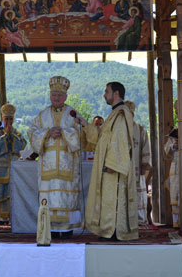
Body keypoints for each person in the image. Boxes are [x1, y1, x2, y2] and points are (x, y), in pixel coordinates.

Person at [78, 82, 138, 241]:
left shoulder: (120, 114)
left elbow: (119, 140)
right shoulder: (114, 114)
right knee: (107, 200)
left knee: (114, 199)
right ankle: (107, 230)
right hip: (108, 166)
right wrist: (85, 124)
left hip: (113, 167)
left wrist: (113, 164)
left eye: (107, 91)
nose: (104, 95)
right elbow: (102, 138)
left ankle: (114, 232)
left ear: (116, 93)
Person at [28, 76, 82, 239]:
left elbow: (82, 133)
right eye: (53, 95)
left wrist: (65, 132)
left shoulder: (73, 113)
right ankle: (48, 231)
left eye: (59, 95)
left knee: (66, 198)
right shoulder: (42, 115)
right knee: (49, 198)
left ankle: (67, 231)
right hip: (48, 167)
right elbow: (31, 132)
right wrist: (47, 133)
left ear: (65, 96)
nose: (56, 98)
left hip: (67, 165)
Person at [0, 103, 26, 224]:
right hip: (0, 167)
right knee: (0, 191)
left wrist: (11, 136)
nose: (9, 121)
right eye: (6, 119)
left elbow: (22, 145)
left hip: (13, 166)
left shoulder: (17, 133)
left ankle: (11, 217)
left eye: (11, 119)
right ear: (2, 118)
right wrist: (6, 136)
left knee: (11, 192)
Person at [125, 101, 151, 225]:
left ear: (133, 114)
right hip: (122, 169)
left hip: (136, 168)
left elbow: (146, 148)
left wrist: (144, 165)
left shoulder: (140, 130)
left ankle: (139, 220)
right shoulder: (117, 130)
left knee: (137, 194)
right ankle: (123, 220)